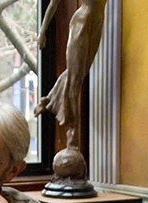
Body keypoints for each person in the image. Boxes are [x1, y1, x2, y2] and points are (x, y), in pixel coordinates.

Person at [35, 0, 108, 149]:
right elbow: (53, 4)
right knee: (75, 81)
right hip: (81, 22)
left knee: (78, 74)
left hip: (98, 20)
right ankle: (72, 134)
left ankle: (48, 99)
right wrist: (42, 32)